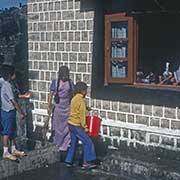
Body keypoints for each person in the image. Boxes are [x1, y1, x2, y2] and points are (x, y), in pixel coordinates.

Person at [65, 81, 97, 169]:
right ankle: (87, 162)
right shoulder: (81, 101)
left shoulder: (74, 98)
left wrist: (86, 107)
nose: (86, 92)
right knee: (88, 142)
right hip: (76, 125)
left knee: (73, 143)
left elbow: (76, 108)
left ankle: (68, 160)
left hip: (70, 123)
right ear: (82, 91)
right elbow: (82, 116)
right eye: (86, 90)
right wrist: (85, 128)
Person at [0, 65, 26, 161]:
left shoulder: (6, 84)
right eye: (14, 73)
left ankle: (14, 149)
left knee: (12, 131)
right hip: (7, 111)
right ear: (10, 75)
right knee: (6, 132)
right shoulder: (7, 85)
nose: (15, 75)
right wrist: (21, 112)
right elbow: (13, 101)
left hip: (9, 111)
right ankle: (5, 152)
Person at [47, 66, 74, 152]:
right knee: (58, 127)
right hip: (58, 107)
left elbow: (73, 94)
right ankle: (57, 144)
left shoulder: (70, 82)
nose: (64, 77)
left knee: (66, 126)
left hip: (67, 107)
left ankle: (65, 145)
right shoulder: (55, 82)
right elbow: (51, 94)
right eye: (63, 75)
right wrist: (49, 105)